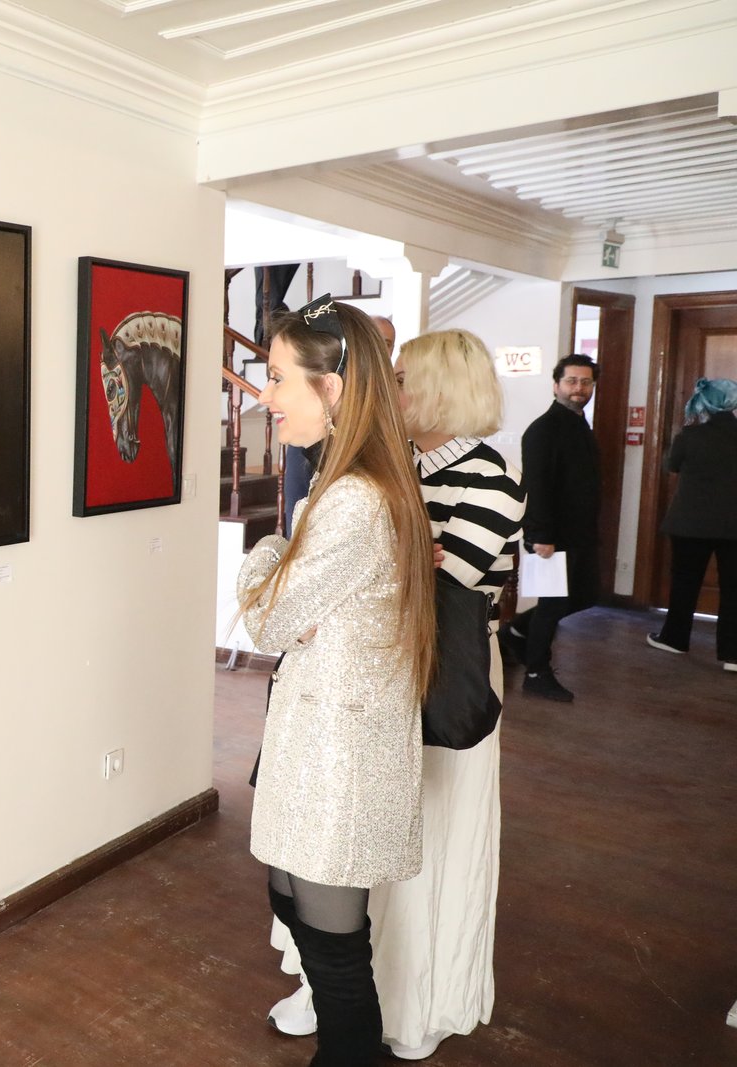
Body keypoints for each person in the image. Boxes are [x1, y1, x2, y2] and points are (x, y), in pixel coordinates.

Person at [265, 329, 525, 1060]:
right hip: (366, 673)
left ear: (442, 387)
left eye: (401, 377)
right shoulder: (385, 464)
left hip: (443, 669)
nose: (385, 387)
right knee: (343, 853)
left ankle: (415, 1004)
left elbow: (437, 583)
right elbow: (355, 571)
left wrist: (370, 558)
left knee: (423, 848)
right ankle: (330, 994)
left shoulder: (490, 475)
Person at [237, 295, 436, 1066]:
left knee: (334, 947)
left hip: (337, 756)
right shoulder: (347, 482)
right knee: (298, 907)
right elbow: (286, 614)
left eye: (278, 377)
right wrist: (287, 569)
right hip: (320, 740)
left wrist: (267, 548)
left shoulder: (353, 497)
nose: (266, 395)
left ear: (334, 388)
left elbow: (266, 621)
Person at [508, 354, 601, 701]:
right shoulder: (543, 430)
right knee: (551, 606)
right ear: (556, 385)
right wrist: (540, 535)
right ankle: (536, 673)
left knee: (585, 596)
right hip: (549, 536)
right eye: (572, 381)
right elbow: (537, 486)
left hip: (579, 534)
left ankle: (517, 632)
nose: (579, 388)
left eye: (586, 382)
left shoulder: (580, 425)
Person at [646, 377, 737, 671]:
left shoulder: (689, 435)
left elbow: (671, 465)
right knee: (734, 588)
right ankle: (733, 655)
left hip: (689, 523)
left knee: (685, 582)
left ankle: (675, 639)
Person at [282, 315, 395, 532]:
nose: (378, 348)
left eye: (386, 343)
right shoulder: (329, 383)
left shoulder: (392, 392)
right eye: (373, 340)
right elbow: (297, 497)